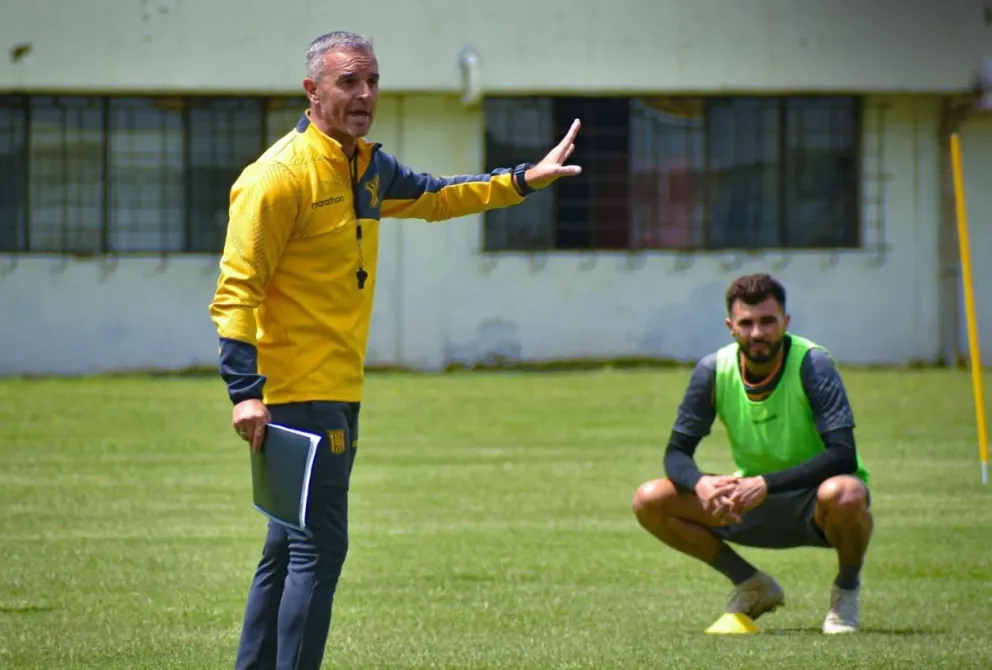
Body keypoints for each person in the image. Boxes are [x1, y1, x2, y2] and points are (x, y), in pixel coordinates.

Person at [208, 30, 583, 670]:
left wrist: (523, 180)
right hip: (298, 396)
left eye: (372, 81)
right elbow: (236, 291)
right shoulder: (276, 178)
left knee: (288, 548)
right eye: (348, 81)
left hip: (337, 392)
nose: (364, 94)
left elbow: (438, 195)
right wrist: (245, 393)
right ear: (312, 90)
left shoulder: (368, 167)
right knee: (318, 551)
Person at [631, 273, 873, 635]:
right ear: (731, 327)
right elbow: (676, 454)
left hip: (816, 504)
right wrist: (700, 484)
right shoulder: (712, 370)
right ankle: (751, 584)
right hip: (748, 503)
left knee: (847, 493)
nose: (757, 333)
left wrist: (766, 483)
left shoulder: (813, 364)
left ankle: (846, 592)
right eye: (747, 323)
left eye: (767, 321)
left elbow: (843, 454)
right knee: (650, 499)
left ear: (785, 322)